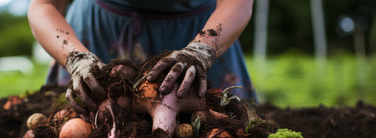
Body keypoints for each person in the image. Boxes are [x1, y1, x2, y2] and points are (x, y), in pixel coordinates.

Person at [28, 0, 257, 114]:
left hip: (200, 33)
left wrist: (202, 50)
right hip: (94, 37)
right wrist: (75, 58)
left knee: (217, 132)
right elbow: (44, 4)